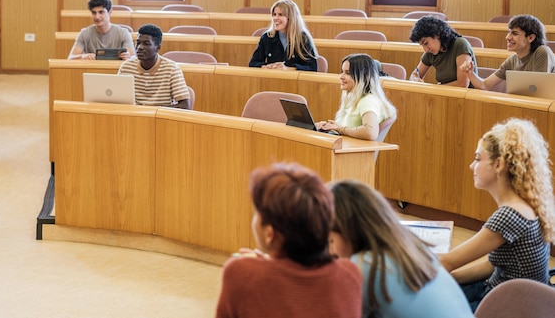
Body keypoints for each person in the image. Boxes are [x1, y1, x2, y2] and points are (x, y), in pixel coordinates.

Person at [215, 162, 362, 318]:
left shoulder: (241, 273)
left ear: (270, 233)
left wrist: (260, 266)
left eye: (257, 212)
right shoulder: (349, 274)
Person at [439, 118, 555, 312]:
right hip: (523, 300)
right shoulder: (527, 204)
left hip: (507, 306)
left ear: (498, 164)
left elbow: (447, 261)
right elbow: (492, 265)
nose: (471, 166)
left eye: (477, 159)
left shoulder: (509, 215)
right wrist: (450, 279)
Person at [328, 179, 474, 318]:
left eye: (331, 241)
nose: (330, 251)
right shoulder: (411, 247)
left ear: (349, 232)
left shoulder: (364, 265)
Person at [459, 15, 555, 91]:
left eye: (514, 33)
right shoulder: (512, 60)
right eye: (508, 32)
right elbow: (484, 85)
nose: (508, 37)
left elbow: (538, 91)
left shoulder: (542, 52)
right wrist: (470, 73)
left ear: (530, 38)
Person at [315, 53, 397, 140]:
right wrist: (329, 127)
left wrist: (339, 129)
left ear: (363, 76)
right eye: (342, 72)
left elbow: (370, 132)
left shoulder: (368, 100)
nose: (341, 77)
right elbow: (350, 127)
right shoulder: (354, 98)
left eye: (348, 73)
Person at [117, 23, 190, 108]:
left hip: (160, 118)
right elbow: (116, 98)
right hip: (134, 118)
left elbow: (185, 105)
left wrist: (155, 113)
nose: (140, 47)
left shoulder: (171, 69)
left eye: (146, 43)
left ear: (157, 48)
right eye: (138, 43)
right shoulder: (126, 67)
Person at [248, 0, 318, 71]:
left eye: (280, 15)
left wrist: (288, 69)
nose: (275, 18)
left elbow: (312, 68)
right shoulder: (267, 37)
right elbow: (253, 63)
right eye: (274, 14)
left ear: (291, 18)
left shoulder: (303, 38)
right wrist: (267, 66)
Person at [408, 15, 477, 87]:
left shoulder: (460, 45)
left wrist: (436, 87)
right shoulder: (430, 52)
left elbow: (463, 84)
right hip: (445, 95)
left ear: (436, 34)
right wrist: (414, 79)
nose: (425, 49)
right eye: (422, 45)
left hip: (465, 95)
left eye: (426, 43)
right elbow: (415, 74)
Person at [68, 0, 136, 60]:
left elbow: (134, 57)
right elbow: (70, 58)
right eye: (94, 13)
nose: (97, 17)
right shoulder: (84, 33)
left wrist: (128, 57)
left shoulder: (123, 33)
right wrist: (83, 56)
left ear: (110, 12)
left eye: (101, 12)